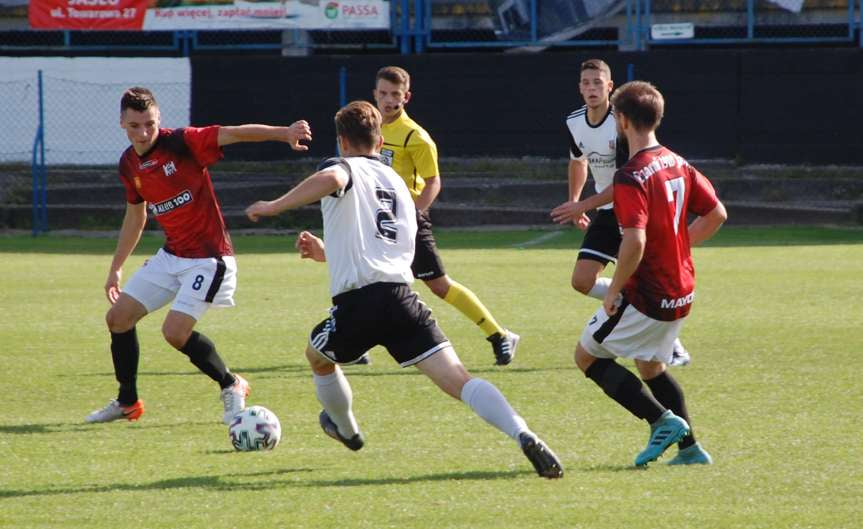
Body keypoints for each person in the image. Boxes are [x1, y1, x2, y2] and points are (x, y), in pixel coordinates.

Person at [244, 101, 563, 478]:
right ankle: (522, 431)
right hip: (401, 299)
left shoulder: (341, 165)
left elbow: (333, 180)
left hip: (359, 304)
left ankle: (347, 430)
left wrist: (274, 206)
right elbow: (384, 251)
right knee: (460, 380)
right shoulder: (397, 184)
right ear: (380, 139)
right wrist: (327, 254)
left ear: (342, 141)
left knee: (318, 357)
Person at [85, 86, 312, 425]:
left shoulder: (182, 142)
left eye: (149, 123)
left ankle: (232, 383)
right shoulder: (128, 163)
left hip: (209, 258)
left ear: (159, 119)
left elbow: (233, 134)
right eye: (135, 125)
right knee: (118, 318)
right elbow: (136, 216)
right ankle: (127, 402)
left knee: (174, 332)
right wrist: (115, 269)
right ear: (122, 123)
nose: (144, 132)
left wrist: (284, 133)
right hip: (172, 255)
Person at [572, 81, 726, 466]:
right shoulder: (677, 161)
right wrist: (678, 251)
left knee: (587, 358)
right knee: (650, 367)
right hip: (682, 290)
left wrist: (614, 290)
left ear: (621, 120)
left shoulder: (630, 175)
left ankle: (660, 420)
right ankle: (690, 449)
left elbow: (635, 243)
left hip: (648, 294)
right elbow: (716, 214)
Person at [371, 66, 519, 366]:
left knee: (439, 285)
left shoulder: (415, 136)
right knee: (369, 281)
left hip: (408, 221)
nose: (388, 100)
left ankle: (499, 335)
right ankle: (357, 346)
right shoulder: (369, 129)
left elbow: (433, 181)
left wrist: (413, 215)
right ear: (374, 93)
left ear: (406, 97)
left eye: (395, 95)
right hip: (378, 219)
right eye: (383, 93)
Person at [550, 59, 691, 367]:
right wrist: (575, 201)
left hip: (633, 207)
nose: (591, 89)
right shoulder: (574, 121)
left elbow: (627, 180)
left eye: (597, 83)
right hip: (604, 210)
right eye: (586, 83)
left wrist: (582, 205)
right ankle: (627, 297)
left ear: (610, 87)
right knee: (581, 281)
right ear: (579, 87)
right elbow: (578, 161)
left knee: (650, 282)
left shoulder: (622, 123)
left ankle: (672, 342)